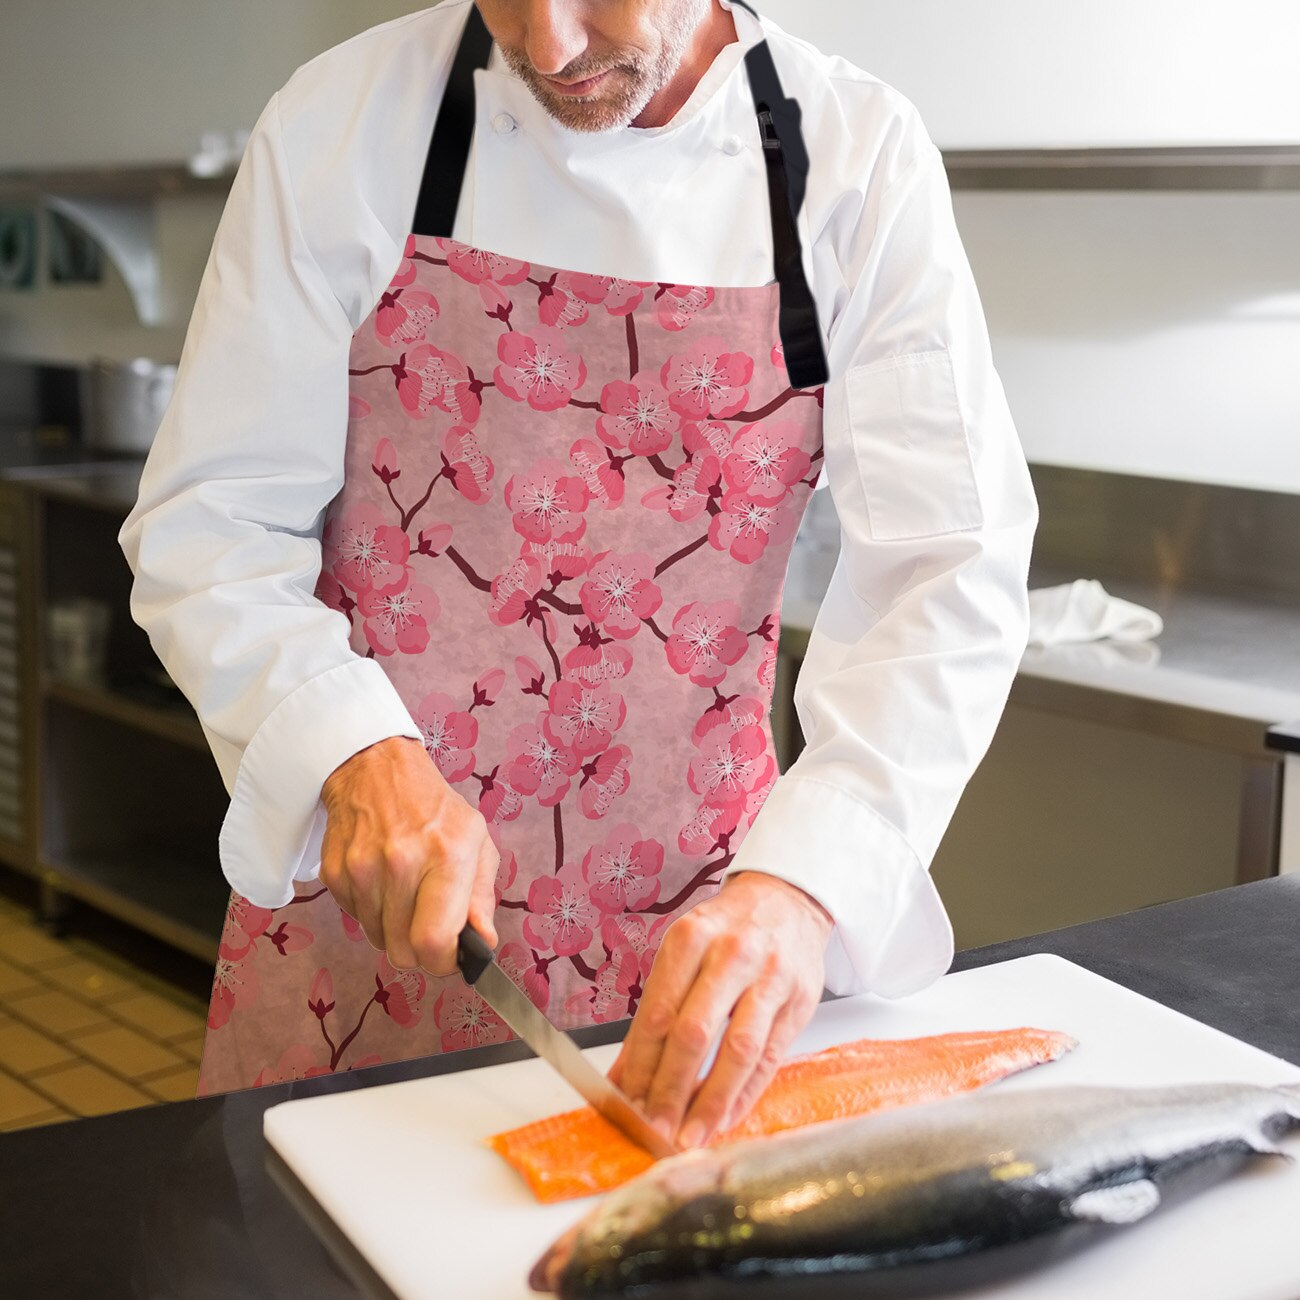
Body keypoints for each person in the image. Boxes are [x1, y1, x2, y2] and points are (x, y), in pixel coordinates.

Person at [119, 0, 1037, 1151]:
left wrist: (804, 890)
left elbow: (945, 569)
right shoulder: (341, 124)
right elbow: (211, 520)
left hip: (704, 960)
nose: (548, 46)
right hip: (367, 936)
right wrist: (347, 750)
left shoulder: (852, 159)